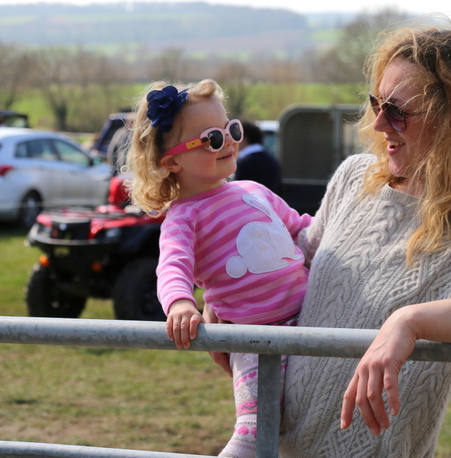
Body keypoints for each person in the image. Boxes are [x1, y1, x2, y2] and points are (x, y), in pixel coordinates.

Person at [210, 25, 451, 457]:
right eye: (376, 103)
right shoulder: (353, 179)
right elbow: (299, 264)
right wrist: (231, 294)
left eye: (398, 111)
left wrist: (410, 322)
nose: (379, 123)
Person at [122, 79, 312, 458]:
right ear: (172, 161)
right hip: (256, 340)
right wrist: (180, 304)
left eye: (232, 130)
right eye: (212, 138)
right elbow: (173, 266)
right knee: (256, 431)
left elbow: (302, 230)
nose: (229, 142)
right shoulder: (185, 217)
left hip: (312, 316)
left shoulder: (255, 190)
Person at [234, 120, 282, 195]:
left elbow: (237, 194)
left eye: (236, 136)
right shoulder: (272, 160)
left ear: (244, 138)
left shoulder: (244, 163)